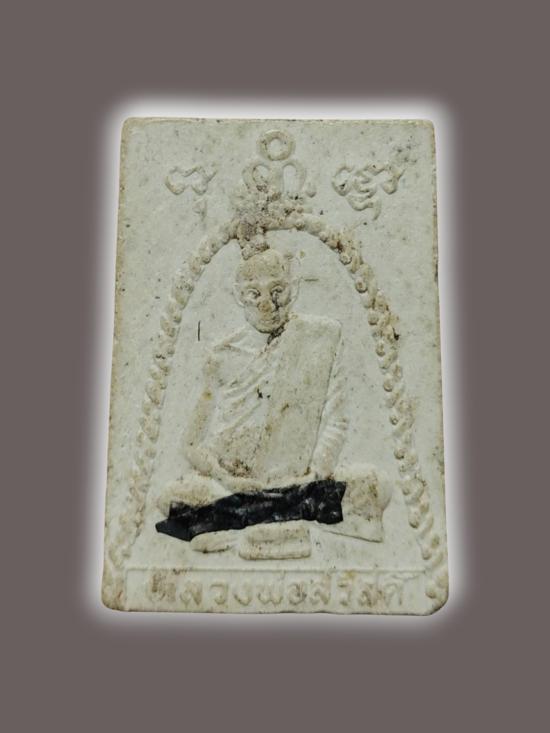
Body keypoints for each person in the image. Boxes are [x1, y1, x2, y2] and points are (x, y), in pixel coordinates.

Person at [158, 246, 348, 554]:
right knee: (170, 495)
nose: (267, 304)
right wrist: (228, 480)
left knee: (369, 485)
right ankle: (272, 518)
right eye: (253, 293)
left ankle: (239, 521)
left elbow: (337, 421)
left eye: (278, 291)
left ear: (294, 289)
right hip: (230, 483)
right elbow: (191, 444)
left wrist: (314, 474)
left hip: (297, 482)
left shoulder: (321, 337)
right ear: (238, 296)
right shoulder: (222, 355)